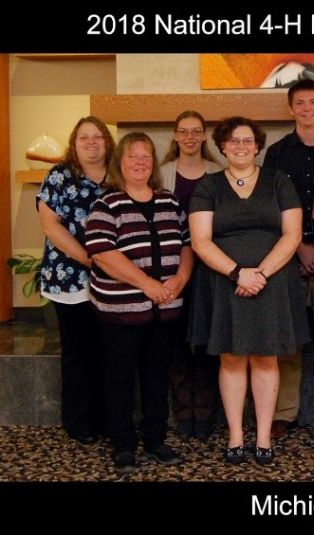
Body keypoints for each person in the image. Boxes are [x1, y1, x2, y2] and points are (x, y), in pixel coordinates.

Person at [188, 116, 308, 465]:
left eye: (248, 141)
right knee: (231, 357)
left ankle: (265, 438)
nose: (241, 146)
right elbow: (200, 240)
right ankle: (237, 436)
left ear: (258, 146)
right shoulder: (208, 186)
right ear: (222, 146)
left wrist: (261, 274)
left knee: (266, 357)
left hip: (271, 284)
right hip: (224, 283)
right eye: (233, 140)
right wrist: (238, 273)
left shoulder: (278, 181)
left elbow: (293, 234)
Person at [85, 132, 194, 474]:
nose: (140, 162)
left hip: (164, 311)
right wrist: (146, 284)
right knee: (120, 379)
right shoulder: (107, 204)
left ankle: (156, 440)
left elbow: (188, 246)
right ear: (120, 163)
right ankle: (122, 445)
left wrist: (179, 280)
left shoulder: (169, 202)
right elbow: (103, 254)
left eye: (146, 156)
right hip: (120, 313)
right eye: (133, 156)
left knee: (157, 377)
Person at [262, 79, 314, 438]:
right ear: (290, 109)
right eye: (300, 103)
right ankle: (284, 412)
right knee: (289, 336)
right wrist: (298, 247)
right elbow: (269, 207)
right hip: (287, 255)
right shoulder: (276, 153)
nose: (307, 108)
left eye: (313, 102)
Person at [36, 116, 115, 445]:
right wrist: (87, 258)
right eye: (85, 137)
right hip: (69, 279)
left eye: (98, 136)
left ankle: (104, 417)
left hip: (112, 280)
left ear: (108, 142)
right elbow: (50, 225)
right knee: (77, 352)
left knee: (106, 352)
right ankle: (77, 421)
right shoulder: (59, 175)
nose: (92, 142)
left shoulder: (118, 175)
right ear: (74, 142)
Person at [160, 111, 223, 441]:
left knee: (207, 343)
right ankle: (184, 410)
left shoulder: (219, 173)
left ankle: (206, 411)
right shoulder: (161, 175)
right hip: (172, 272)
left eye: (195, 131)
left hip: (212, 271)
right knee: (178, 344)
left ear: (204, 136)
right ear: (174, 135)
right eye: (183, 131)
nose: (189, 137)